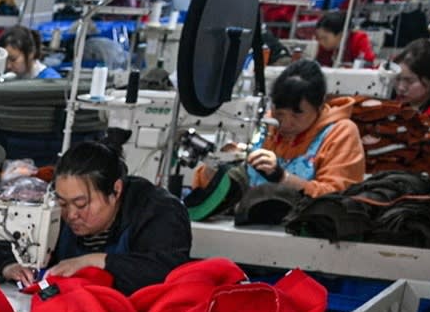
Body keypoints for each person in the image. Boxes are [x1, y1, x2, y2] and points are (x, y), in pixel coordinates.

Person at [37, 141, 190, 292]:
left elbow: (165, 272)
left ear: (116, 191)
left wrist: (93, 261)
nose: (70, 215)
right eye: (63, 203)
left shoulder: (159, 212)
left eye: (81, 204)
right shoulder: (56, 213)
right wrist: (14, 266)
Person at [202, 59, 363, 199]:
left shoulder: (340, 133)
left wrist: (283, 178)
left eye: (297, 115)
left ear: (319, 106)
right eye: (279, 113)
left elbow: (338, 197)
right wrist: (215, 170)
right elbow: (207, 185)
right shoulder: (263, 124)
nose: (285, 123)